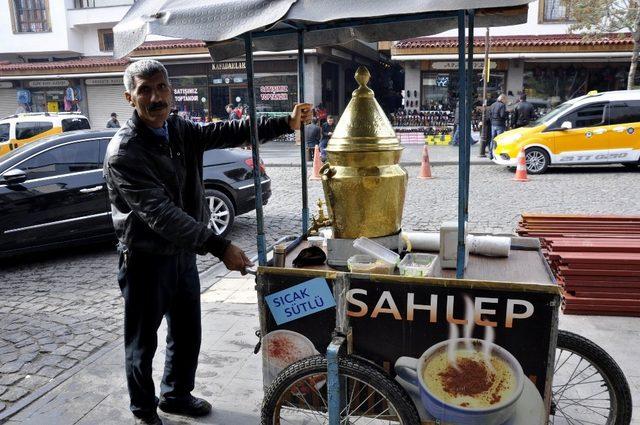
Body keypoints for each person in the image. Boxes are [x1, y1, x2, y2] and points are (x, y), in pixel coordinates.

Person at [103, 59, 311, 425]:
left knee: (187, 334)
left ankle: (176, 395)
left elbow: (228, 131)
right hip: (145, 261)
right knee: (142, 343)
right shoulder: (125, 152)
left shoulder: (178, 129)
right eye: (145, 90)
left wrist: (286, 122)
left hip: (181, 255)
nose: (155, 97)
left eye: (161, 88)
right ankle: (143, 410)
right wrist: (219, 246)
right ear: (129, 97)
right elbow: (161, 214)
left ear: (170, 90)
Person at [488, 94, 508, 160]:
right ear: (502, 99)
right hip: (500, 124)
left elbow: (490, 114)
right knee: (500, 140)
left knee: (493, 140)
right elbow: (502, 115)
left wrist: (492, 121)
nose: (506, 101)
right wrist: (507, 113)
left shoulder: (493, 104)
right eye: (505, 99)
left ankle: (490, 154)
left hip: (493, 124)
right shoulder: (502, 105)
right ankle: (498, 155)